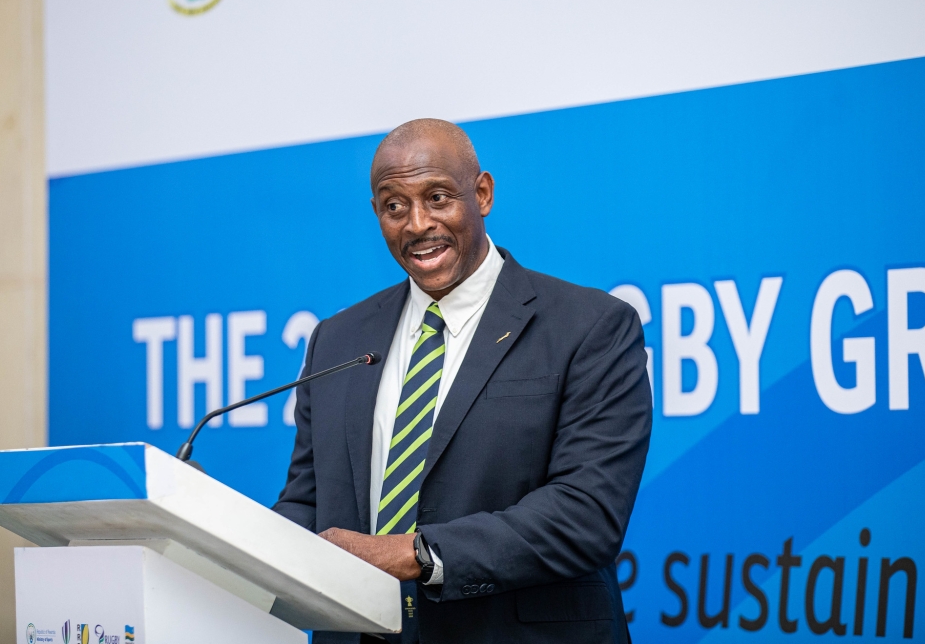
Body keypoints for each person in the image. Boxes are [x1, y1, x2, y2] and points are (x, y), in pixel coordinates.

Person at [273, 118, 652, 643]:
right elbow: (305, 501)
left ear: (483, 193)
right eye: (394, 206)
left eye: (437, 197)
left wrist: (414, 553)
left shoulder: (589, 326)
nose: (416, 224)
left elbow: (586, 514)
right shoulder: (336, 340)